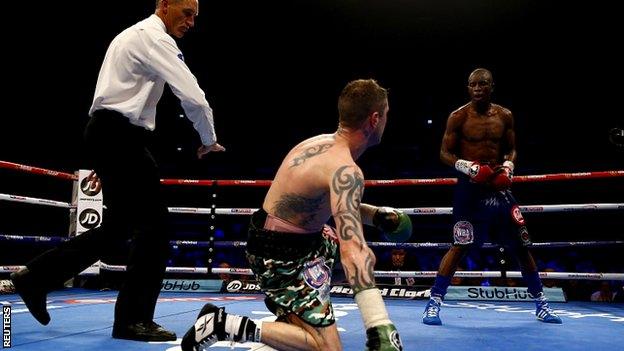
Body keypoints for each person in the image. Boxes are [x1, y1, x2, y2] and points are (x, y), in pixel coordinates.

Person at [10, 0, 225, 342]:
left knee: (118, 228)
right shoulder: (154, 39)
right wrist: (209, 139)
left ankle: (36, 277)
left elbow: (119, 103)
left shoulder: (130, 36)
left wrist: (109, 156)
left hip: (112, 135)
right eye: (186, 13)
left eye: (196, 16)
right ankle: (132, 320)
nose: (192, 22)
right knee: (154, 229)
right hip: (117, 136)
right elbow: (194, 97)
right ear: (164, 6)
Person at [181, 79, 409, 350]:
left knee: (350, 263)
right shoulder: (345, 170)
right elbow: (354, 251)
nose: (386, 121)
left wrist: (377, 216)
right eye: (386, 115)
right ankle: (222, 324)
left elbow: (327, 204)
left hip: (301, 240)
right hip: (281, 257)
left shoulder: (319, 144)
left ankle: (292, 317)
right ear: (374, 119)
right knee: (327, 347)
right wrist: (378, 324)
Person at [422, 68, 562, 325]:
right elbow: (444, 152)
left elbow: (511, 149)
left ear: (491, 86)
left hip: (499, 188)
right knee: (460, 245)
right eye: (473, 84)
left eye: (482, 84)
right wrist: (468, 166)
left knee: (521, 246)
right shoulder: (458, 117)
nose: (477, 88)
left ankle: (541, 304)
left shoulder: (505, 116)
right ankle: (434, 304)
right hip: (469, 190)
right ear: (468, 87)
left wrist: (508, 166)